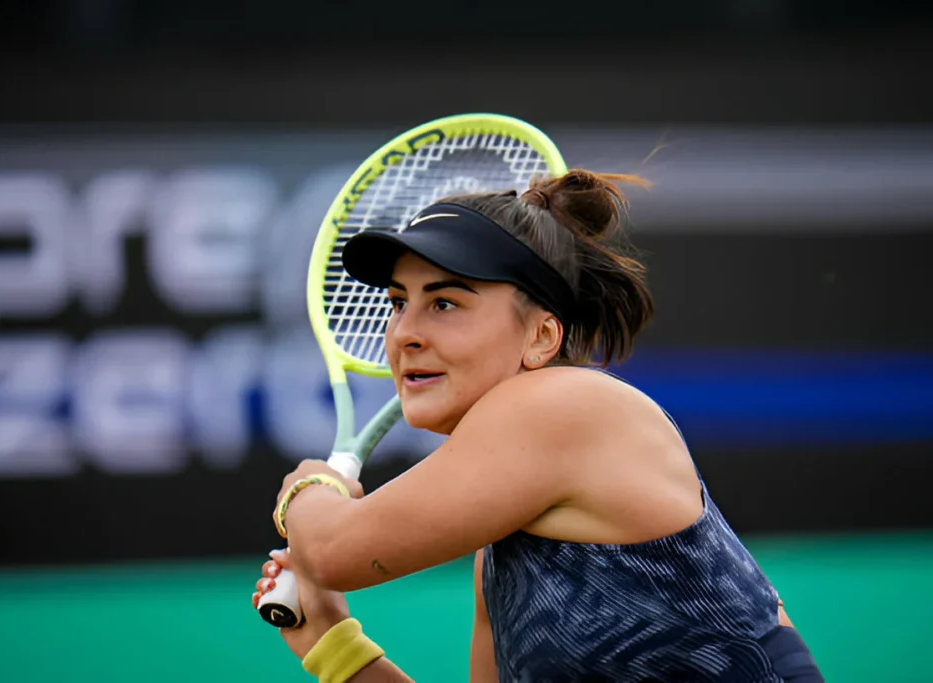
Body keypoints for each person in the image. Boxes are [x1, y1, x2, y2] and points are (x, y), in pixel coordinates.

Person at [252, 169, 825, 682]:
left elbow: (333, 551)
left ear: (542, 336)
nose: (404, 333)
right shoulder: (497, 550)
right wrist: (337, 651)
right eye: (399, 302)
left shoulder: (564, 406)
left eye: (445, 302)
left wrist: (307, 491)